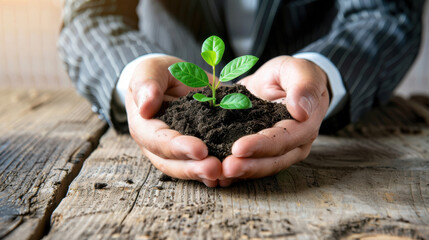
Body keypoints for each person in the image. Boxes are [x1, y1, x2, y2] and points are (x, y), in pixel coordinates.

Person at [58, 0, 424, 187]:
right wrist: (136, 72)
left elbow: (385, 13)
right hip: (173, 91)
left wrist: (323, 74)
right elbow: (91, 14)